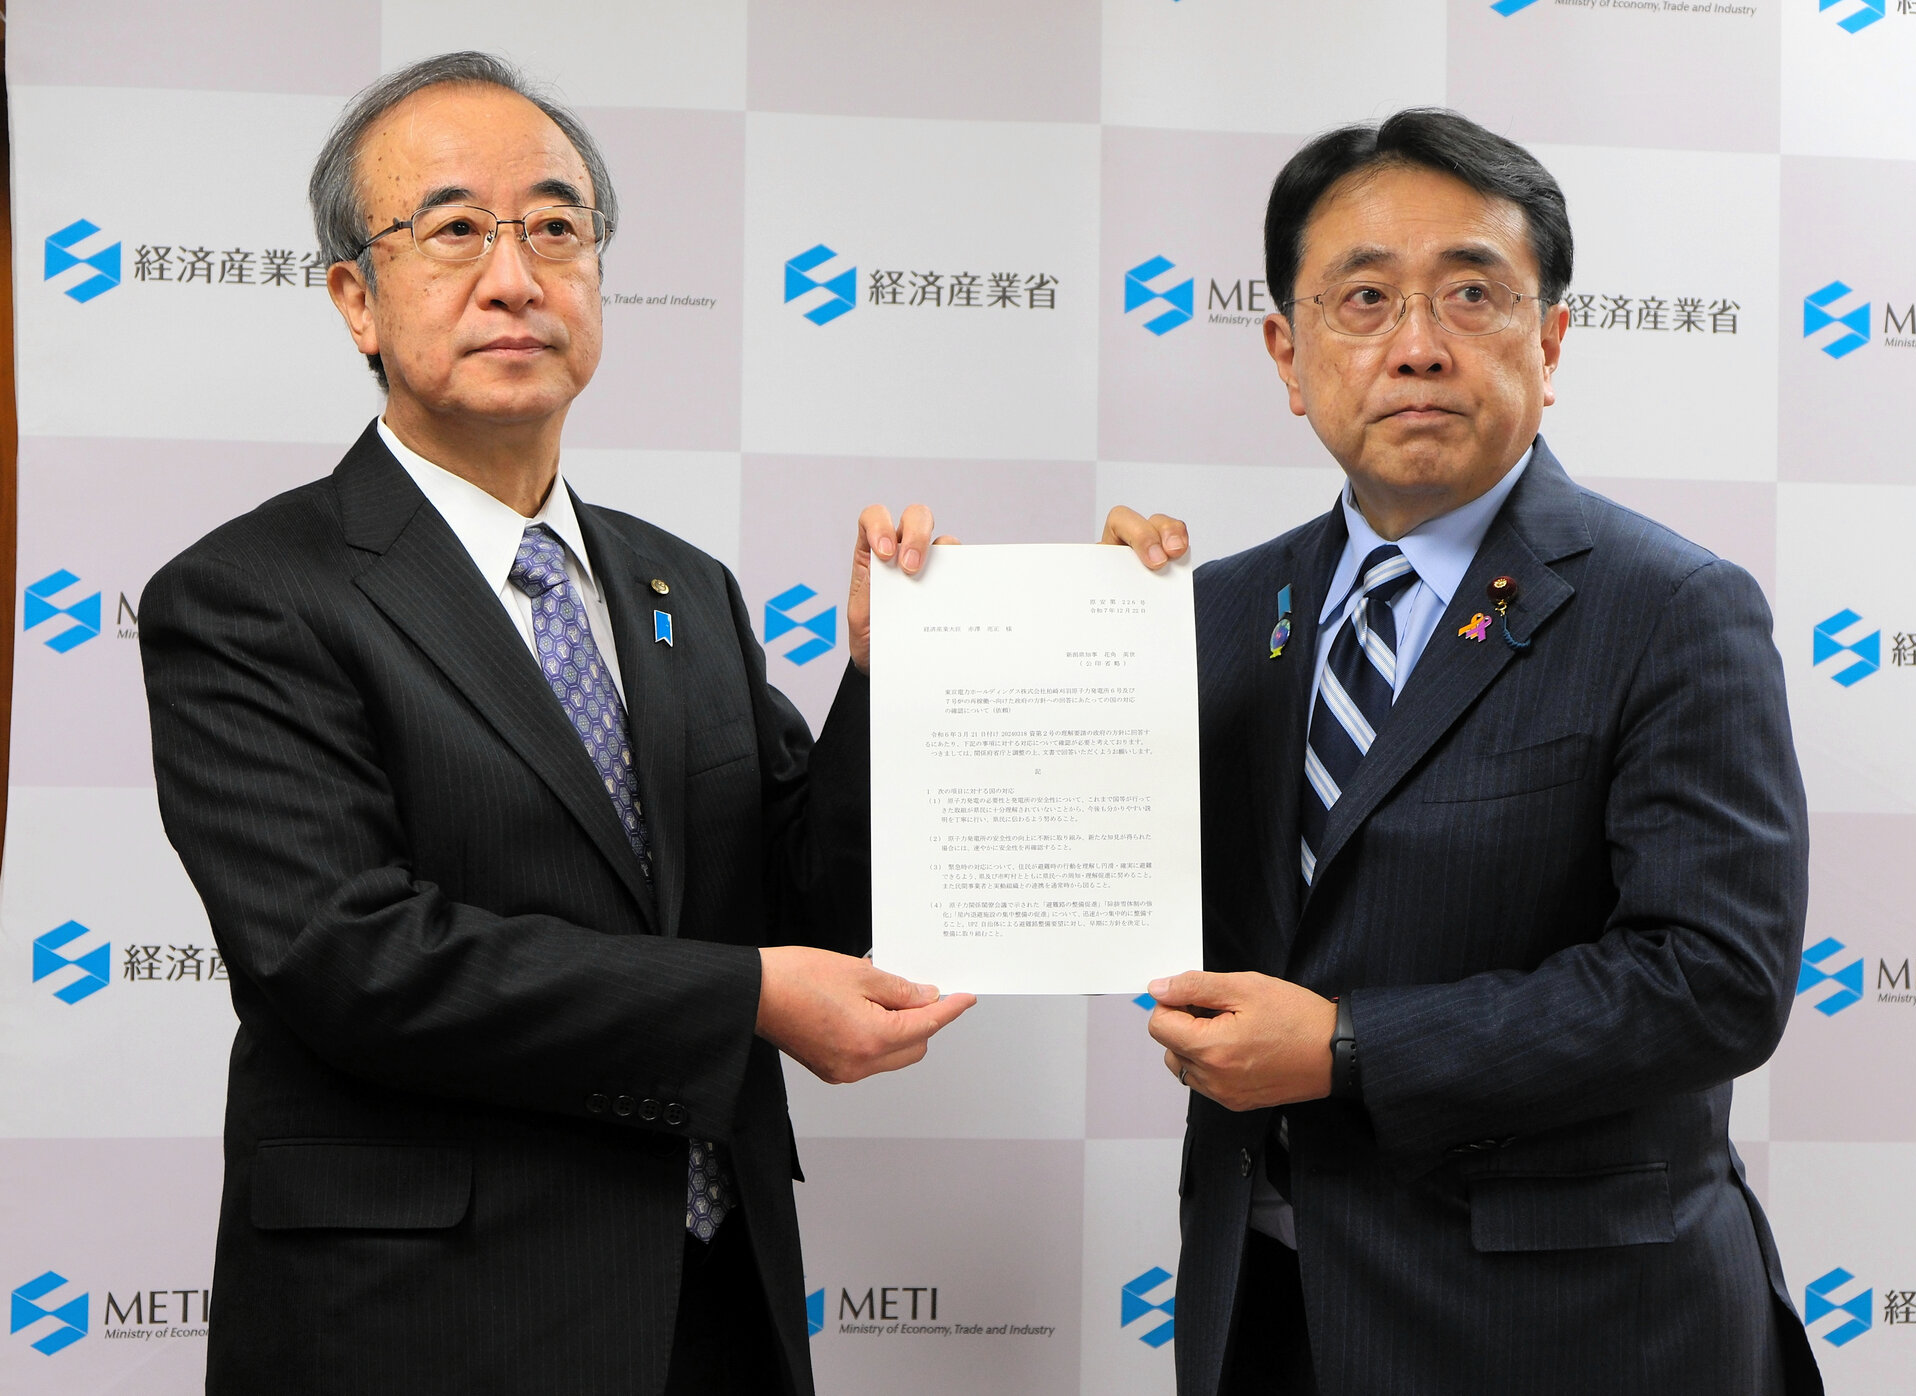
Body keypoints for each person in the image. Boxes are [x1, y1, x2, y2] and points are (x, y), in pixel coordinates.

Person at [138, 52, 980, 1396]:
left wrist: (891, 678)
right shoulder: (250, 595)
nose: (514, 277)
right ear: (355, 298)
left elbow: (804, 898)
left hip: (714, 1305)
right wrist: (749, 996)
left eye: (553, 227)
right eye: (453, 230)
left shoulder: (679, 585)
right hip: (423, 1325)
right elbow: (350, 960)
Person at [1105, 109, 1821, 1395]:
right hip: (1264, 1306)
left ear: (1549, 341)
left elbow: (1714, 977)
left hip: (1568, 1329)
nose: (1417, 345)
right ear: (1285, 352)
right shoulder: (1210, 611)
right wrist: (1074, 653)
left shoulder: (1668, 607)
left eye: (1471, 294)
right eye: (1362, 299)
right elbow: (1109, 889)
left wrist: (1348, 1046)